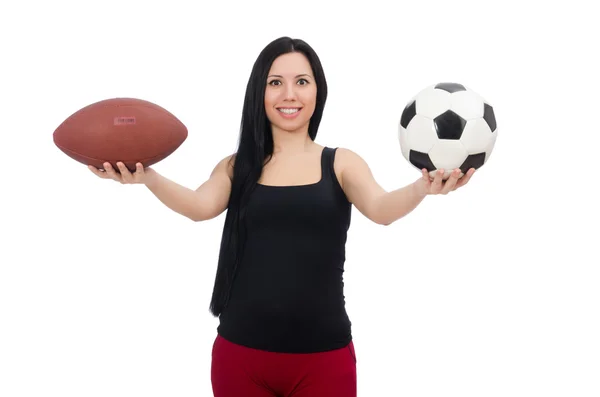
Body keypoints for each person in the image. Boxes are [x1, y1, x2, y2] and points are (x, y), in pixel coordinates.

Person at [89, 36, 474, 397]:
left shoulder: (340, 163)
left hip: (323, 359)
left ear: (318, 91)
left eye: (302, 81)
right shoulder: (236, 166)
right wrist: (149, 178)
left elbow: (381, 209)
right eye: (276, 82)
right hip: (241, 358)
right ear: (260, 92)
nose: (289, 94)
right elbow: (198, 206)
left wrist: (421, 189)